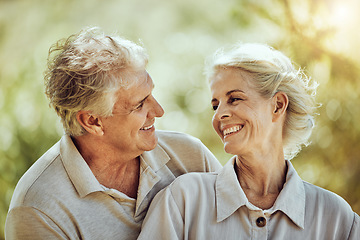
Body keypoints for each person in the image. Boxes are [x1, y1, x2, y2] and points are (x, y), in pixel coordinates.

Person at [5, 27, 222, 239]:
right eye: (139, 105)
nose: (158, 111)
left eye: (151, 94)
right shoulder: (38, 209)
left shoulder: (190, 156)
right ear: (92, 121)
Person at [138, 43, 360, 239]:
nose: (219, 115)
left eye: (234, 99)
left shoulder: (336, 217)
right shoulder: (183, 200)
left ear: (278, 105)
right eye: (216, 105)